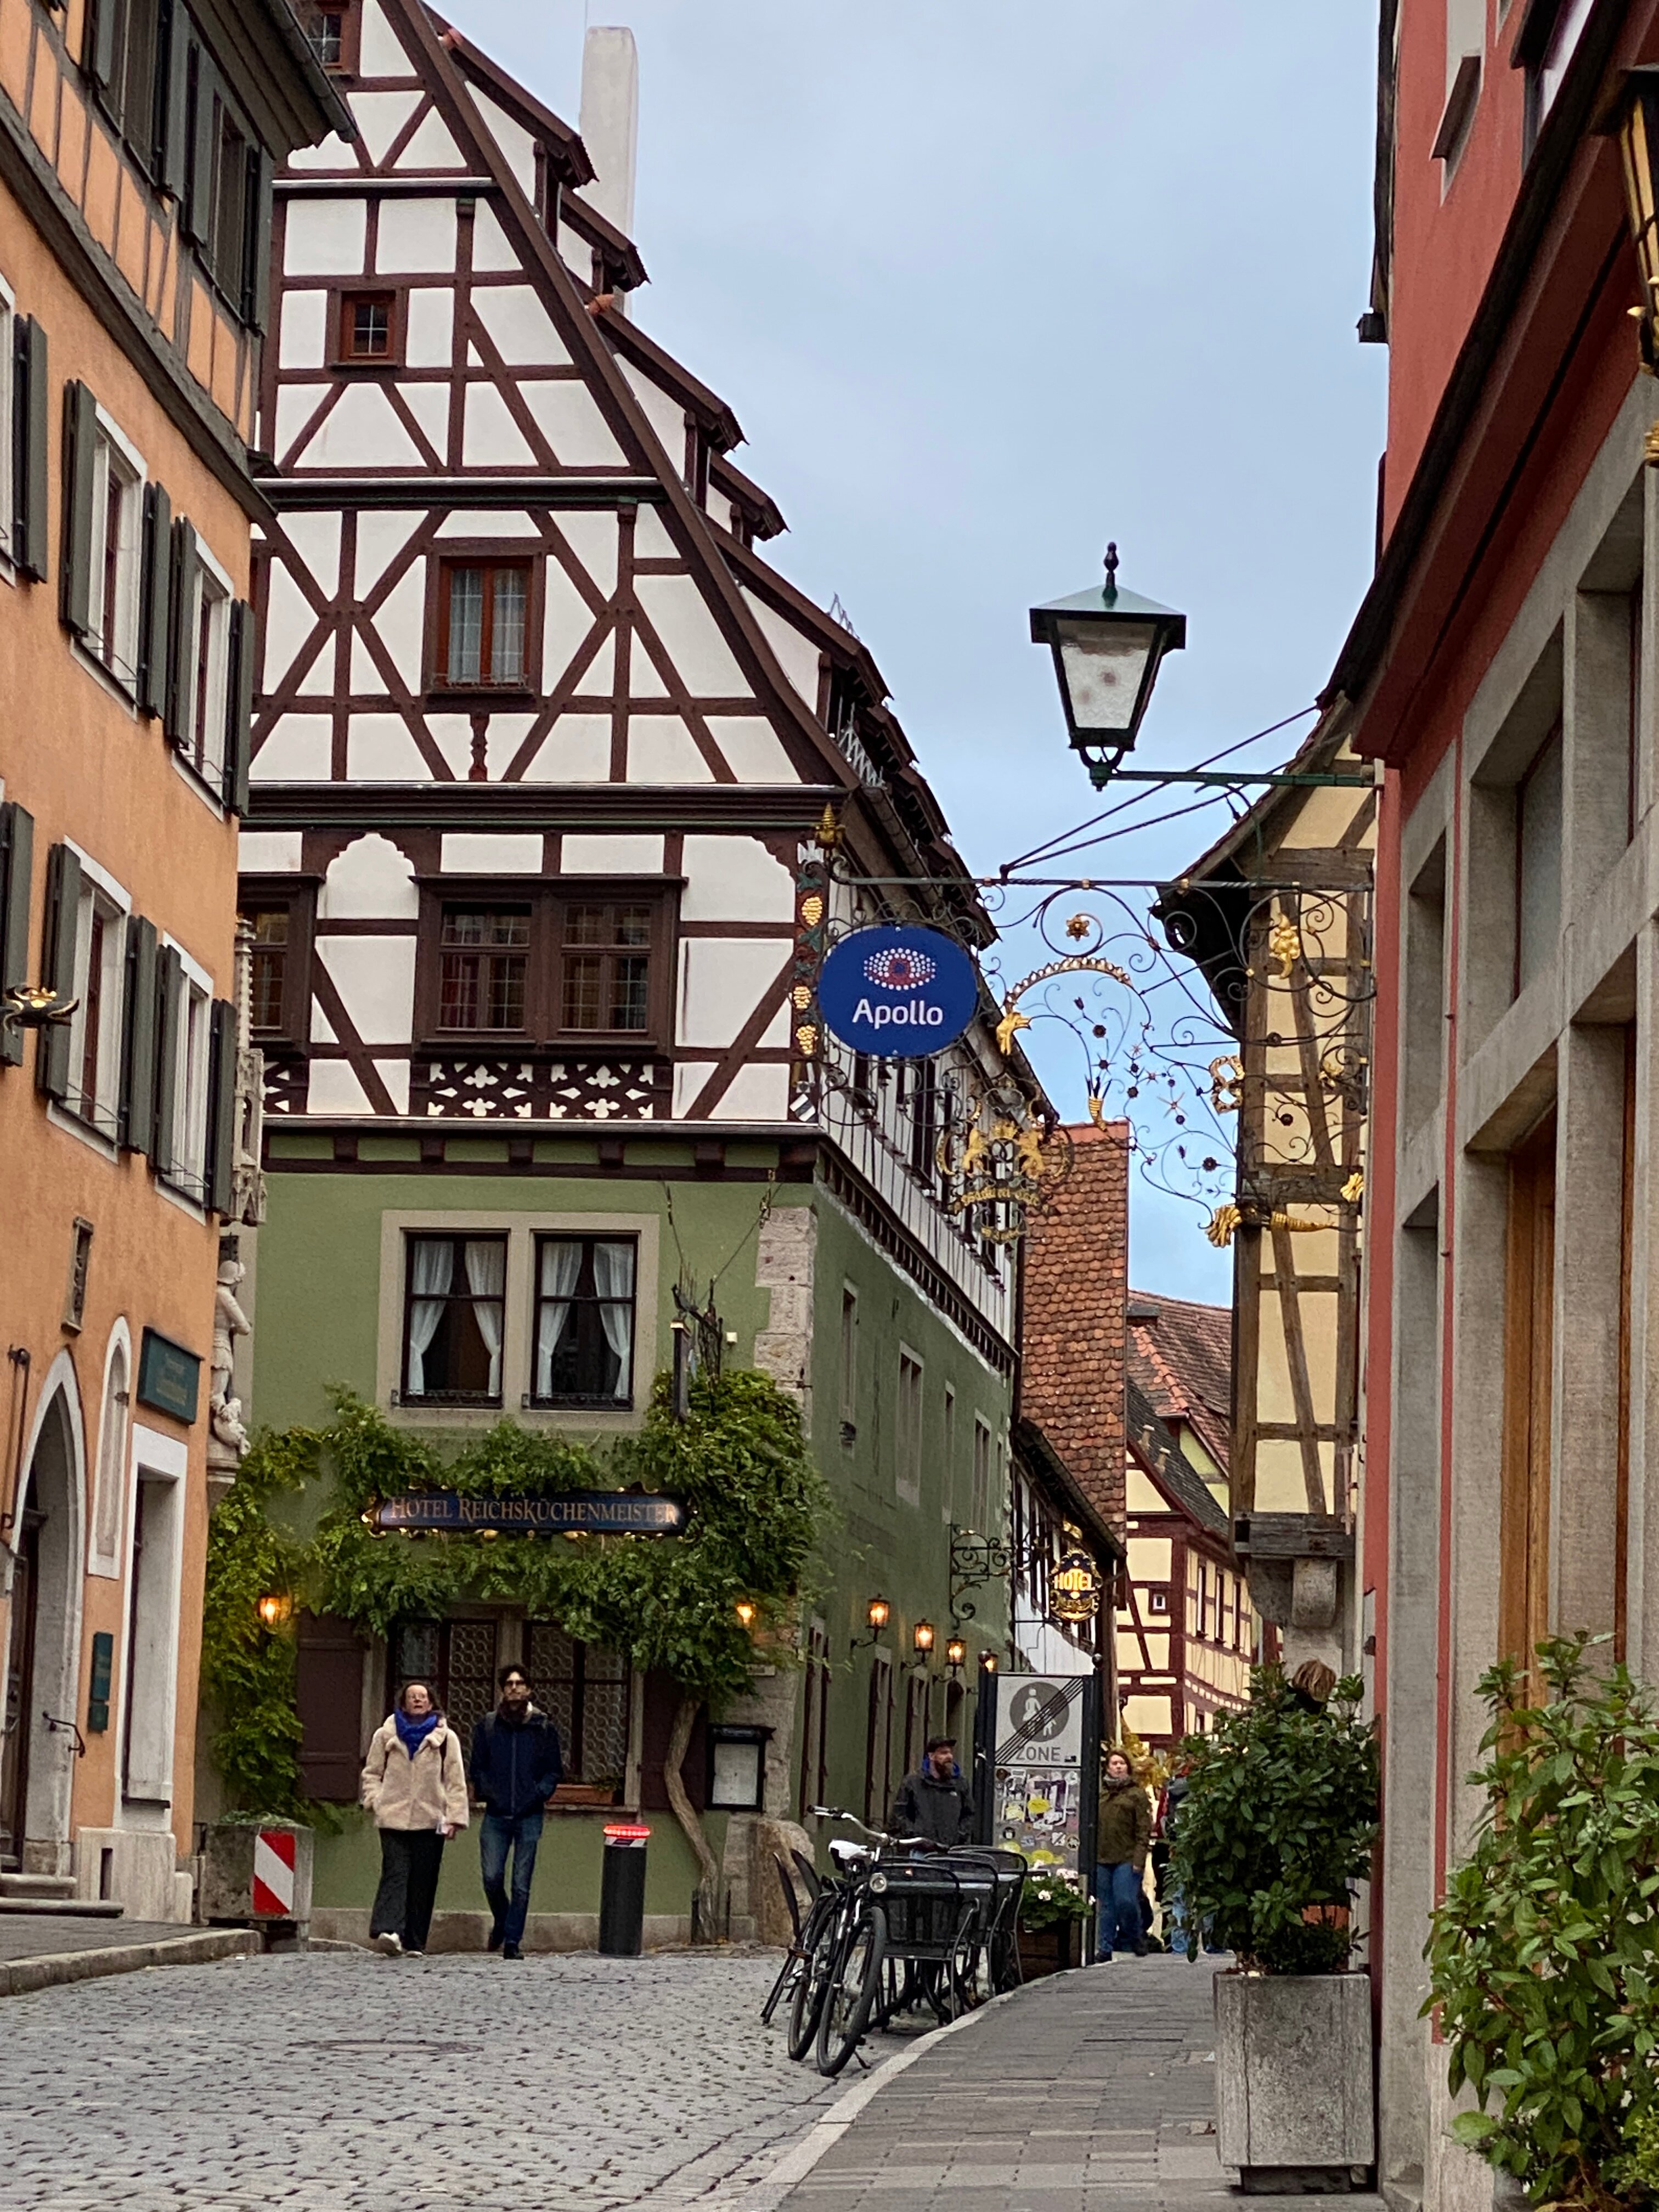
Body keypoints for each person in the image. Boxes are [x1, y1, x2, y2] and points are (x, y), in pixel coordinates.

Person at [360, 1679, 469, 1957]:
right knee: (396, 1872)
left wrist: (455, 1817)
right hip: (392, 1816)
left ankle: (415, 1941)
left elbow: (455, 1781)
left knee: (424, 1879)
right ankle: (389, 1930)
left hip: (431, 1817)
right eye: (412, 1697)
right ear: (404, 1702)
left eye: (423, 1697)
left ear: (431, 1703)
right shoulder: (385, 1735)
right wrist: (375, 1800)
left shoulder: (447, 1739)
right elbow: (372, 1772)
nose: (418, 1700)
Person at [469, 1663, 564, 1960]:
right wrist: (490, 1793)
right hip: (496, 1815)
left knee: (521, 1883)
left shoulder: (544, 1728)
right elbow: (477, 1769)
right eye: (509, 1684)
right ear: (502, 1690)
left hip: (529, 1815)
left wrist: (538, 1794)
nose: (514, 1688)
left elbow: (554, 1771)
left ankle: (512, 1941)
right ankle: (502, 1919)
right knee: (491, 1877)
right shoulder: (487, 1726)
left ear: (529, 1689)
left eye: (519, 1683)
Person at [1094, 1747, 1151, 1961]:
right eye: (1114, 1764)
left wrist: (1139, 1859)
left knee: (1125, 1901)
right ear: (1107, 1767)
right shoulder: (1100, 1794)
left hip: (1127, 1858)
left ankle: (1135, 1934)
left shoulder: (1136, 1794)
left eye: (1122, 1763)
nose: (1118, 1767)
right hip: (1102, 1857)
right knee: (1106, 1906)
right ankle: (1105, 1948)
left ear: (1128, 1767)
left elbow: (1143, 1830)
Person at [890, 1736, 974, 1848]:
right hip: (921, 1851)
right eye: (943, 1753)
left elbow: (969, 1814)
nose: (949, 1757)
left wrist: (959, 1837)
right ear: (931, 1756)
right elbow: (900, 1814)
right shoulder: (913, 1783)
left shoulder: (961, 1784)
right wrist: (916, 1835)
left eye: (950, 1753)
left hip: (952, 1852)